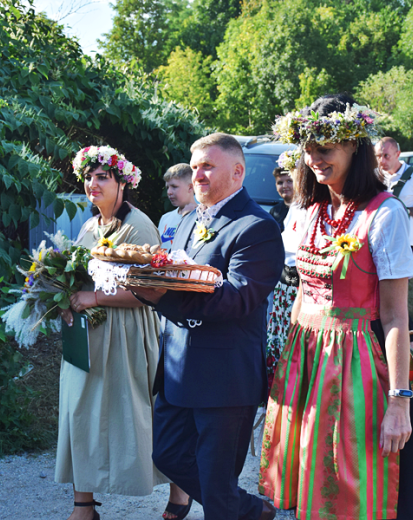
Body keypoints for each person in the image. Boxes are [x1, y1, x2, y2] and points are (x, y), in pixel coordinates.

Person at [260, 94, 413, 520]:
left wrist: (399, 401)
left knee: (356, 477)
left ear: (353, 147)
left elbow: (396, 315)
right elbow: (302, 288)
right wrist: (286, 362)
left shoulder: (384, 213)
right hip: (306, 356)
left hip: (357, 358)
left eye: (326, 149)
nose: (315, 159)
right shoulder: (309, 209)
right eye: (308, 150)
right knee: (311, 473)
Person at [132, 133, 284, 520]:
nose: (197, 174)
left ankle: (235, 509)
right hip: (178, 369)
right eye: (195, 166)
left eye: (207, 167)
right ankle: (249, 509)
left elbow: (239, 299)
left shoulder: (257, 227)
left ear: (237, 171)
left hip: (223, 376)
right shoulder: (187, 222)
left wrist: (161, 297)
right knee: (167, 454)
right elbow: (171, 275)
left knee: (216, 482)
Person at [55, 146, 187, 520]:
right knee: (80, 412)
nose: (92, 184)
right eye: (88, 177)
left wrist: (91, 296)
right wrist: (64, 299)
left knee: (136, 416)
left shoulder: (139, 226)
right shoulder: (89, 225)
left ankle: (181, 490)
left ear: (122, 184)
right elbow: (78, 278)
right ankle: (83, 506)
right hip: (89, 336)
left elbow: (153, 292)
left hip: (127, 335)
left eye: (102, 177)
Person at [265, 150, 305, 390]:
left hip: (302, 284)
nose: (285, 186)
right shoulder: (278, 211)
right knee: (279, 335)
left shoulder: (307, 206)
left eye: (291, 179)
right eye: (280, 182)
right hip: (283, 282)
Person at [158, 163, 197, 251]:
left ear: (190, 187)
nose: (169, 192)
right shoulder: (165, 218)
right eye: (167, 187)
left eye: (174, 187)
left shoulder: (203, 216)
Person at [269, 154, 296, 231]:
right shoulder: (274, 211)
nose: (284, 186)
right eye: (280, 183)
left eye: (289, 181)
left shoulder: (307, 209)